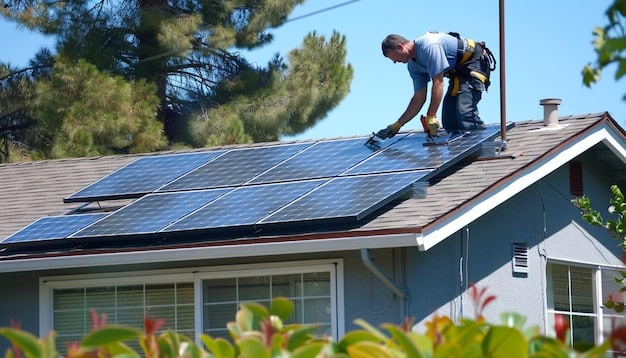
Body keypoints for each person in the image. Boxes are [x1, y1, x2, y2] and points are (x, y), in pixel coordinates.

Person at [376, 32, 495, 139]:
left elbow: (438, 83)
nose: (395, 62)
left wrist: (431, 115)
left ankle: (483, 147)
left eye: (394, 57)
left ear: (400, 47)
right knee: (449, 120)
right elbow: (419, 98)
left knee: (465, 112)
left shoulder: (429, 46)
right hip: (457, 73)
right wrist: (398, 124)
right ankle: (463, 153)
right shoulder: (413, 66)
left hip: (473, 63)